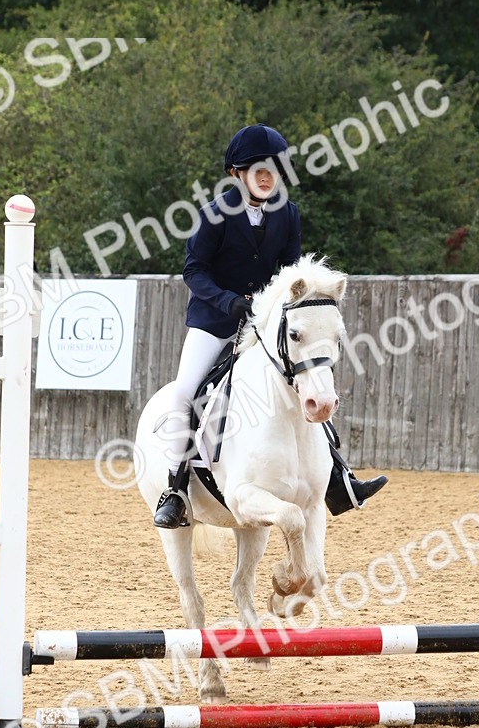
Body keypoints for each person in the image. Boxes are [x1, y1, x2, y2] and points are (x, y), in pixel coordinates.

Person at [153, 123, 387, 528]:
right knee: (184, 395)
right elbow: (194, 271)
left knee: (309, 381)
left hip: (264, 328)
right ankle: (174, 488)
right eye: (257, 169)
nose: (266, 176)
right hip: (215, 323)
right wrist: (230, 303)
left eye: (273, 169)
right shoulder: (214, 215)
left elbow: (291, 273)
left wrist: (280, 311)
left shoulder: (287, 214)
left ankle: (337, 477)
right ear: (236, 174)